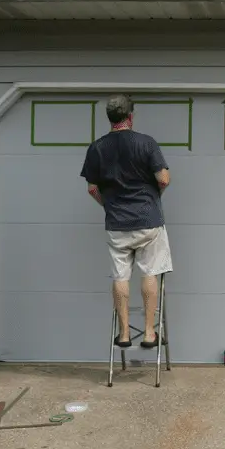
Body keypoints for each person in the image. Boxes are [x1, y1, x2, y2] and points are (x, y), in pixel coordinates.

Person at [80, 94, 173, 349]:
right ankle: (148, 333)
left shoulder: (97, 148)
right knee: (150, 271)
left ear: (110, 118)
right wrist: (155, 197)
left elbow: (92, 188)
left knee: (120, 276)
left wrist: (108, 205)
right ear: (130, 117)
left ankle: (122, 334)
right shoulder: (146, 143)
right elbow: (163, 179)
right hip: (148, 220)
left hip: (117, 224)